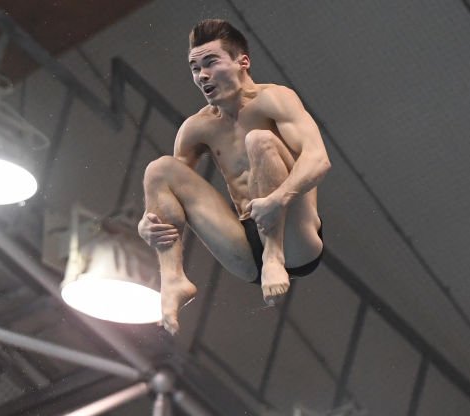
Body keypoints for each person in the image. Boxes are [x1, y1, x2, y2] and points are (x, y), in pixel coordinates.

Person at [138, 19, 331, 335]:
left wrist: (277, 200)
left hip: (296, 240)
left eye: (211, 62)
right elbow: (166, 194)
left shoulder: (275, 99)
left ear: (243, 62)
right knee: (159, 169)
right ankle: (172, 280)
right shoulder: (196, 128)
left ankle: (274, 253)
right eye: (195, 67)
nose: (202, 75)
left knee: (259, 141)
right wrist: (147, 224)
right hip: (242, 246)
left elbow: (319, 160)